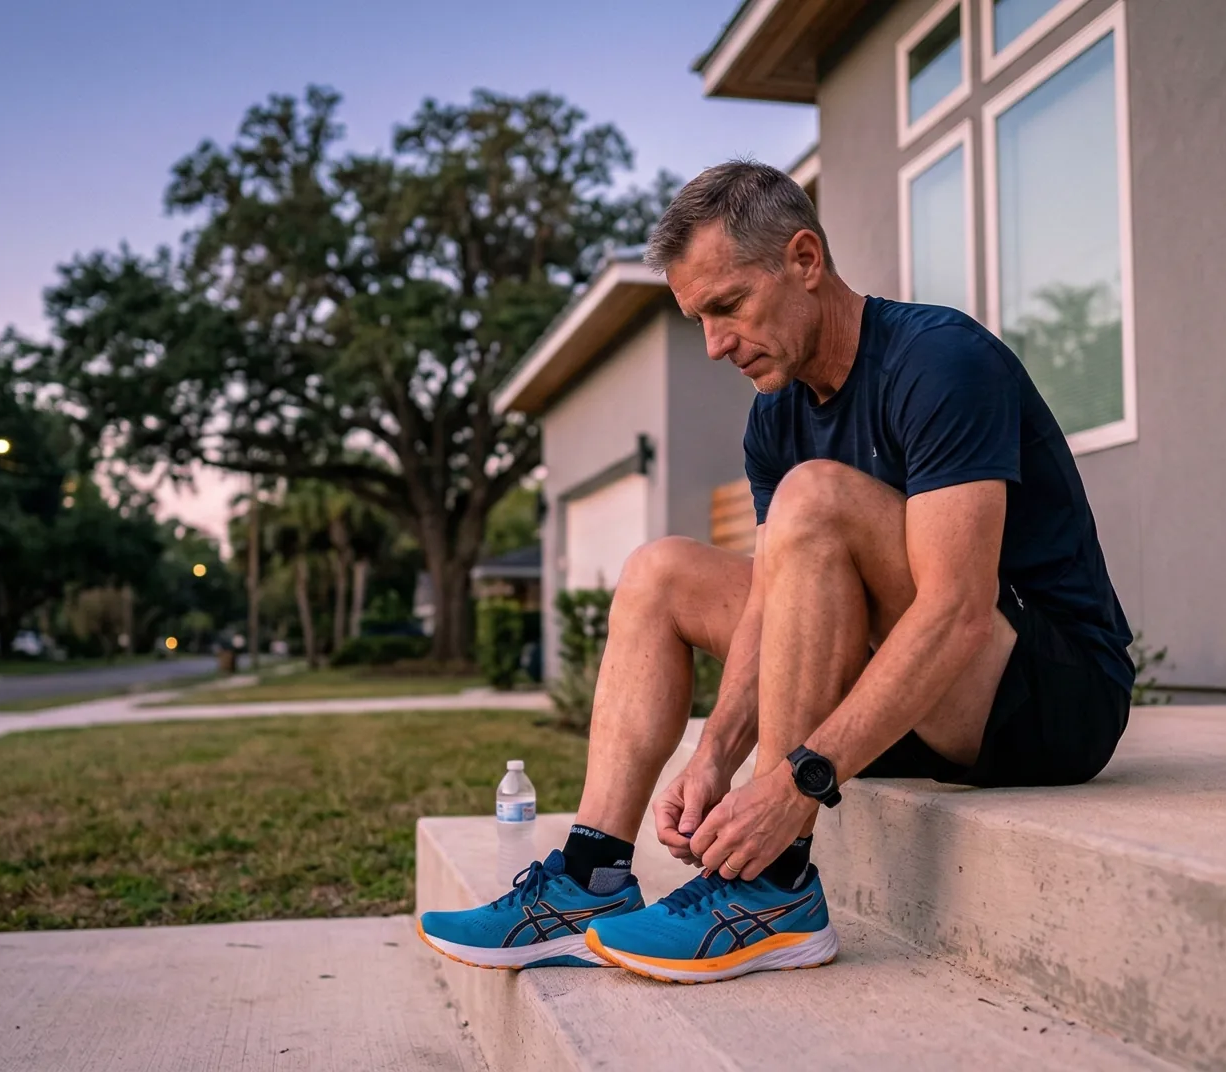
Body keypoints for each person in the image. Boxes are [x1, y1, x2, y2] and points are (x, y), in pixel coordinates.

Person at [418, 160, 1135, 984]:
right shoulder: (776, 415)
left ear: (804, 260)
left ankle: (773, 886)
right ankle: (591, 877)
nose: (716, 344)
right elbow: (776, 601)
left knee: (817, 498)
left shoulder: (942, 362)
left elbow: (957, 611)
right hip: (909, 696)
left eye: (728, 306)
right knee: (661, 570)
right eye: (698, 320)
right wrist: (715, 753)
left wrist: (797, 782)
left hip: (1046, 701)